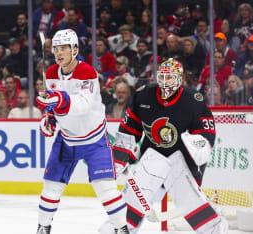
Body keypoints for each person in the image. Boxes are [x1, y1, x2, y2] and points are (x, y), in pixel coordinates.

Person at [99, 58, 228, 233]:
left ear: (179, 79)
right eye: (163, 77)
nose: (165, 82)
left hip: (181, 159)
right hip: (152, 156)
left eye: (170, 78)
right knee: (135, 197)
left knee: (190, 202)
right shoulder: (144, 96)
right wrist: (119, 160)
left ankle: (215, 230)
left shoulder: (193, 100)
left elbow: (205, 128)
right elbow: (129, 130)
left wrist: (202, 146)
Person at [35, 29, 130, 234]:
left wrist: (58, 99)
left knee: (105, 189)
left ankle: (122, 229)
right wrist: (48, 119)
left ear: (75, 49)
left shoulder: (87, 72)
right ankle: (43, 227)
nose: (58, 53)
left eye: (64, 48)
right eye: (56, 49)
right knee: (51, 186)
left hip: (94, 140)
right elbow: (53, 108)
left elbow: (83, 105)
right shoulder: (51, 73)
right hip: (66, 139)